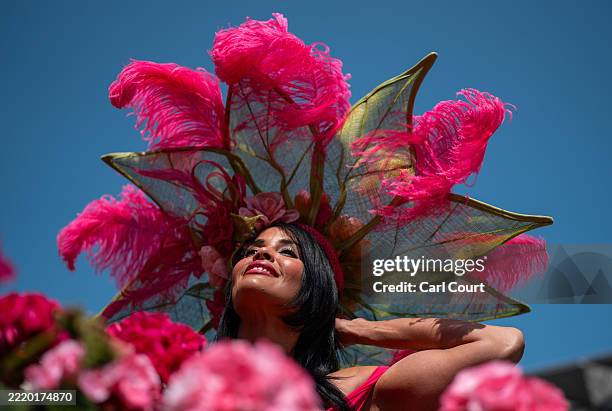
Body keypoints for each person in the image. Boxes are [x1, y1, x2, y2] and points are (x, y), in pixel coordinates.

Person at [216, 223, 525, 411]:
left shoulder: (358, 392)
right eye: (251, 250)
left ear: (317, 290)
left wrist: (362, 329)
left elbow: (501, 343)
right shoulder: (176, 376)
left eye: (289, 252)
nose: (261, 254)